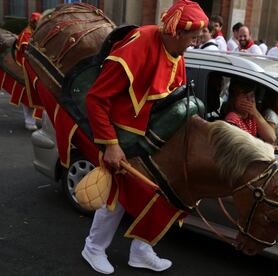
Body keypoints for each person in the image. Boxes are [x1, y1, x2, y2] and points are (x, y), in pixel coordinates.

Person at [83, 1, 208, 274]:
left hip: (152, 137)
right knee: (116, 197)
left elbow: (171, 103)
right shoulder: (137, 47)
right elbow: (95, 99)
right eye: (192, 37)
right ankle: (93, 248)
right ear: (175, 33)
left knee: (159, 196)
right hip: (120, 137)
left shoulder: (177, 54)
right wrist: (111, 144)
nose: (194, 43)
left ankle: (141, 251)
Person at [224, 78, 276, 144]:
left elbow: (271, 138)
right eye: (244, 96)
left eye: (252, 96)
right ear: (234, 98)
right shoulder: (232, 119)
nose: (249, 100)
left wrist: (255, 113)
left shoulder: (252, 117)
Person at [15, 12, 42, 130]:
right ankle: (29, 120)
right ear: (33, 22)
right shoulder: (26, 33)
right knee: (28, 96)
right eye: (38, 22)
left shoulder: (38, 32)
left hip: (36, 68)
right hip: (26, 68)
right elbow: (29, 52)